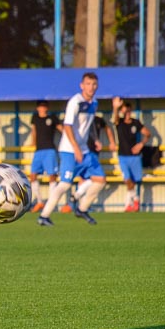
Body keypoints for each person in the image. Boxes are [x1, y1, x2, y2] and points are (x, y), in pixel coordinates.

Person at [38, 72, 106, 226]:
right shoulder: (75, 102)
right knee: (65, 184)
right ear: (82, 85)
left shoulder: (94, 103)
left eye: (94, 84)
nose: (91, 87)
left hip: (85, 150)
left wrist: (95, 140)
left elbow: (90, 125)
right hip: (69, 150)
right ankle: (44, 215)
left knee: (100, 180)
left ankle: (81, 209)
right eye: (88, 84)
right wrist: (75, 148)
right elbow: (67, 126)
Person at [60, 113, 115, 213]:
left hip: (92, 152)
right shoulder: (78, 118)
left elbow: (107, 129)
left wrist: (112, 142)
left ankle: (77, 199)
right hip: (80, 152)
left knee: (93, 178)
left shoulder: (98, 119)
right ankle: (77, 201)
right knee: (86, 178)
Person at [111, 97, 152, 212]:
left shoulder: (136, 123)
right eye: (124, 111)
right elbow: (115, 119)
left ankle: (128, 205)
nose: (126, 113)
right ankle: (136, 198)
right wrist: (115, 108)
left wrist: (141, 145)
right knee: (127, 180)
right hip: (123, 156)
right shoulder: (119, 123)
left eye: (128, 111)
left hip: (135, 157)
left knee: (132, 182)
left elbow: (148, 133)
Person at [29, 100, 62, 213]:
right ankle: (39, 202)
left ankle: (51, 203)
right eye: (40, 106)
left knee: (52, 176)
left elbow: (62, 129)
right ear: (38, 108)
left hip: (50, 150)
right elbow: (34, 131)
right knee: (33, 175)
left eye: (44, 106)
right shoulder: (35, 118)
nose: (42, 108)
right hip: (39, 151)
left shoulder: (52, 118)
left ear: (47, 107)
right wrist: (33, 141)